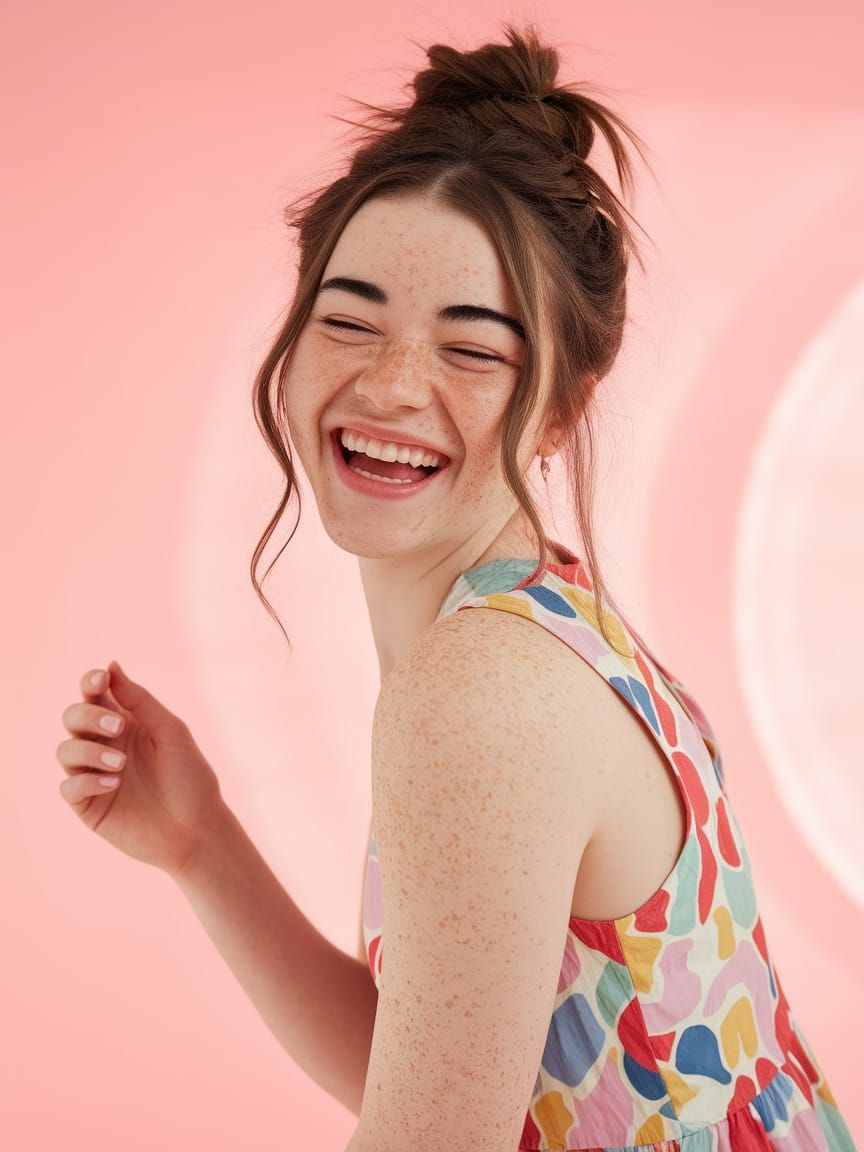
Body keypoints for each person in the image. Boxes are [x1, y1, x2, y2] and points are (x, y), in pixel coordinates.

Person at [55, 20, 856, 1152]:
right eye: (349, 320)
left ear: (563, 408)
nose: (389, 384)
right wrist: (200, 842)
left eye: (471, 349)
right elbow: (449, 1075)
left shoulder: (479, 693)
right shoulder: (541, 621)